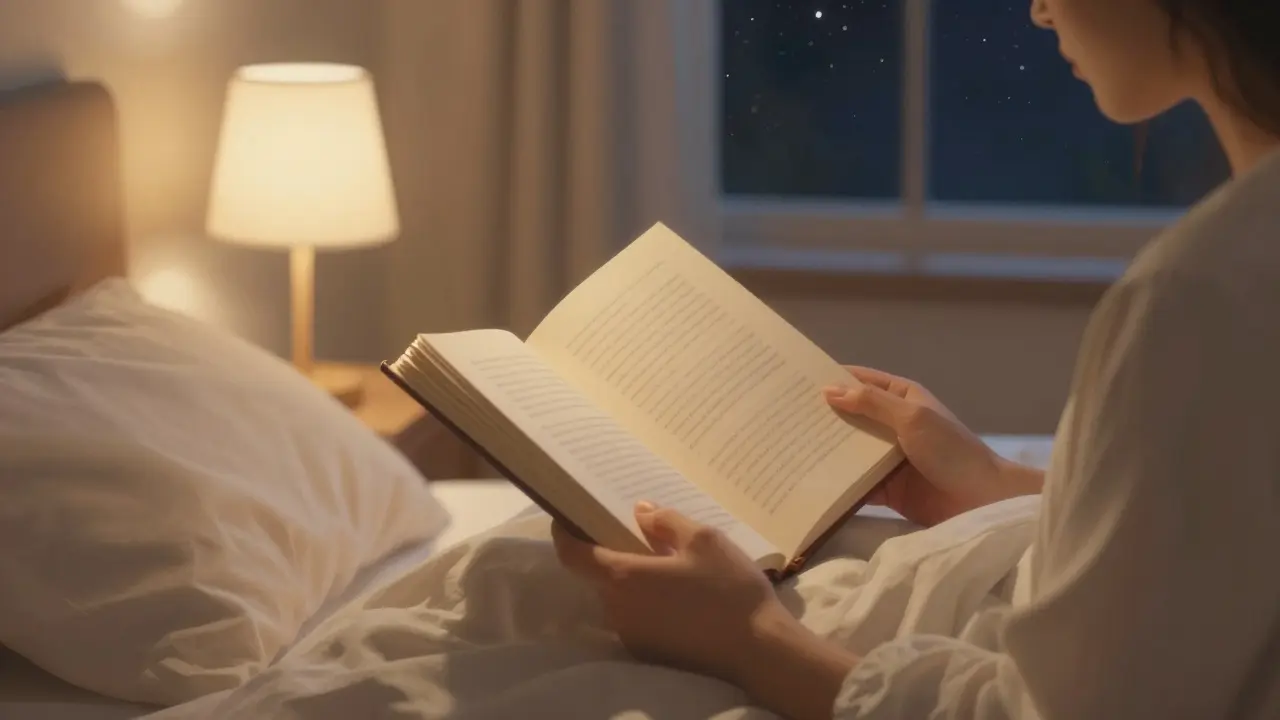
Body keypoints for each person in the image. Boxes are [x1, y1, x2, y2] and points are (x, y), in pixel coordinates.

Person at [553, 0, 1280, 717]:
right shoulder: (1224, 273)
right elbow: (1222, 537)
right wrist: (998, 483)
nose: (1040, 12)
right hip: (991, 546)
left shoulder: (1204, 295)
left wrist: (748, 636)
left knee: (517, 593)